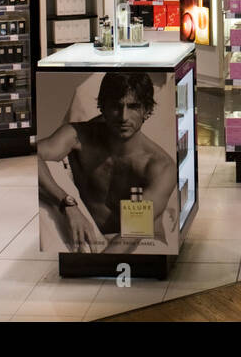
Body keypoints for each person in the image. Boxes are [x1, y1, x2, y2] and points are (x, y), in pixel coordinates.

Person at [36, 71, 176, 253]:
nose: (123, 117)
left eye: (133, 107)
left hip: (141, 243)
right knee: (47, 169)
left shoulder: (160, 166)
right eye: (116, 107)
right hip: (92, 235)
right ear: (103, 107)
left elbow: (132, 234)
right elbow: (30, 156)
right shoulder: (79, 136)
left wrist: (94, 267)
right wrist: (67, 203)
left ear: (147, 111)